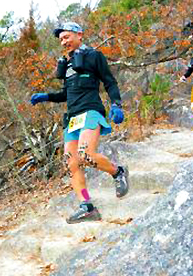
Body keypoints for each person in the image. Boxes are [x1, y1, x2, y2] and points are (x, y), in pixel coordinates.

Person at [30, 22, 129, 224]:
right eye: (61, 40)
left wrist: (116, 104)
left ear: (79, 35)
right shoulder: (67, 64)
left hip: (90, 111)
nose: (64, 42)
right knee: (72, 162)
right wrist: (45, 97)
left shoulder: (94, 56)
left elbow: (109, 82)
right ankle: (87, 207)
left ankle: (118, 172)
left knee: (86, 155)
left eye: (66, 37)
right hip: (72, 118)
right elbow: (66, 95)